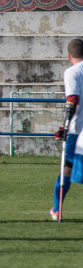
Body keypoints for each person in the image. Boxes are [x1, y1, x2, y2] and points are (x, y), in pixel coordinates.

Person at [50, 38, 83, 220]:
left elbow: (72, 101)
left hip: (77, 131)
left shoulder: (72, 72)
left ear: (69, 55)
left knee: (67, 170)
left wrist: (63, 127)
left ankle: (57, 209)